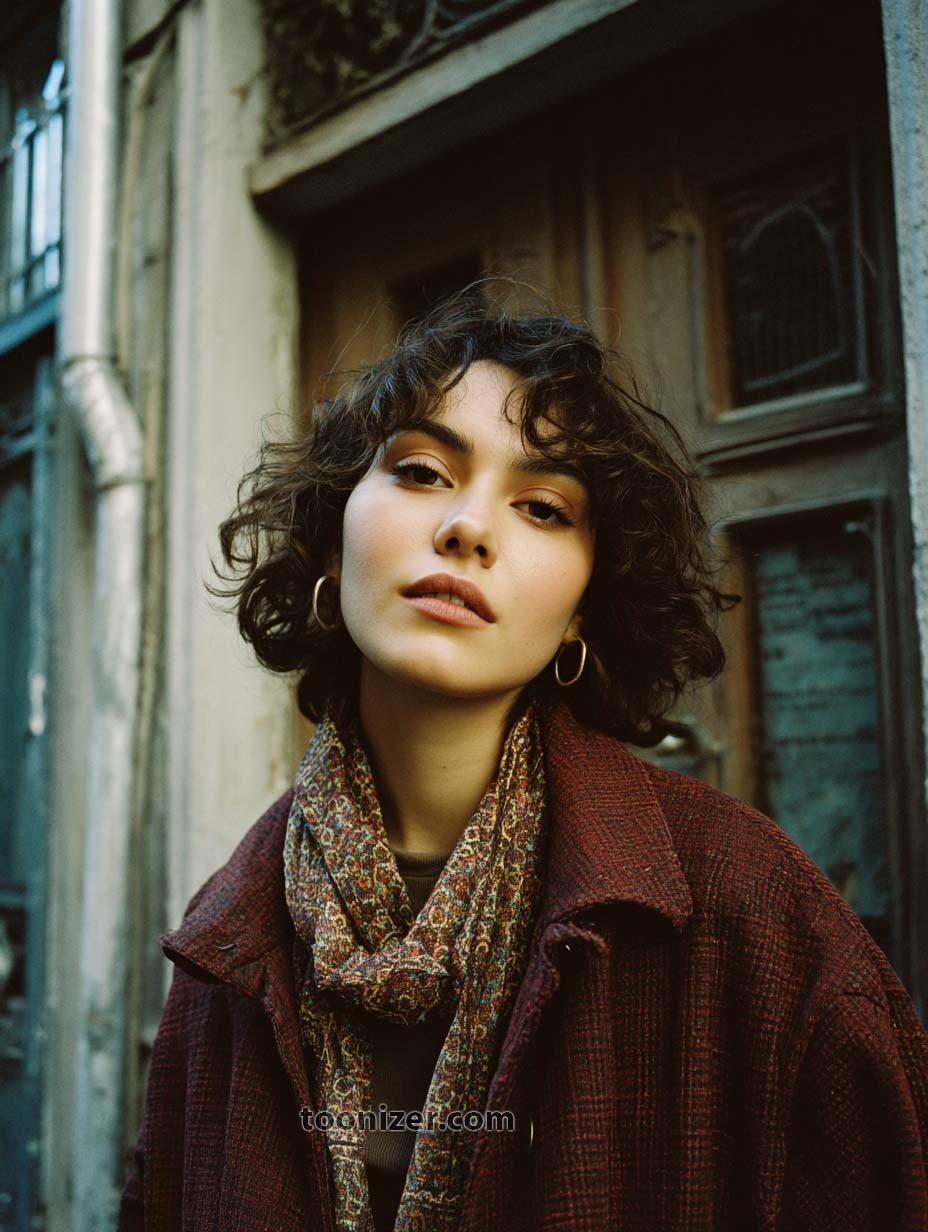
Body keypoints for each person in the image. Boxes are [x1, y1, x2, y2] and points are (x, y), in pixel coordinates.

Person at [118, 280, 928, 1232]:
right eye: (421, 472)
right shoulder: (228, 938)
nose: (467, 527)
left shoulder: (755, 917)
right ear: (333, 543)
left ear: (584, 607)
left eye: (543, 507)